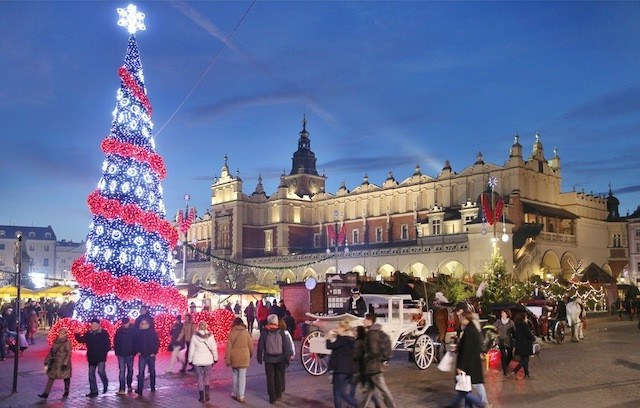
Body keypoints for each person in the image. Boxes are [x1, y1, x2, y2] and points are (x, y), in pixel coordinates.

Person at [445, 311, 487, 408]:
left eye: (460, 317)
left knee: (464, 390)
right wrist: (458, 348)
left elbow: (467, 349)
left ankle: (482, 404)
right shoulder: (471, 328)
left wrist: (461, 366)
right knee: (466, 388)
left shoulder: (469, 330)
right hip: (472, 362)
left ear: (465, 318)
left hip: (469, 364)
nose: (459, 319)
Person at [360, 313, 395, 408]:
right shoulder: (374, 332)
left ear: (369, 321)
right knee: (368, 390)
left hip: (373, 366)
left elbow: (374, 351)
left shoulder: (372, 333)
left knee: (383, 390)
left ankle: (391, 406)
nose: (363, 321)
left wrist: (365, 357)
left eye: (365, 319)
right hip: (373, 366)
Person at [257, 314, 293, 404]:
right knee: (279, 376)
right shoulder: (281, 331)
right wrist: (287, 359)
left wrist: (259, 357)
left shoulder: (264, 331)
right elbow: (285, 346)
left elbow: (260, 346)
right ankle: (278, 394)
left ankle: (272, 398)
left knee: (270, 378)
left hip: (268, 359)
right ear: (276, 321)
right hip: (280, 358)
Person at [326, 319, 359, 408]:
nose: (336, 329)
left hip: (340, 369)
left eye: (338, 328)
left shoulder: (343, 339)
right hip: (349, 370)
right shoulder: (351, 339)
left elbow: (329, 346)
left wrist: (328, 337)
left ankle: (358, 405)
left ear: (343, 328)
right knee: (341, 391)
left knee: (338, 392)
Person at [75, 318, 110, 398]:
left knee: (101, 372)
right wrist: (76, 334)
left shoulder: (103, 333)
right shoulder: (88, 334)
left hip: (101, 357)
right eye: (92, 325)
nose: (93, 326)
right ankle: (94, 391)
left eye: (95, 325)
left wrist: (103, 353)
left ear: (98, 325)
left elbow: (107, 345)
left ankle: (105, 382)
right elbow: (81, 340)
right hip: (91, 357)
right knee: (91, 374)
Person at [38, 327, 72, 399]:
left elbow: (68, 353)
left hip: (63, 363)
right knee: (51, 377)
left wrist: (65, 363)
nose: (59, 334)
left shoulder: (67, 342)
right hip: (55, 362)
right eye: (59, 332)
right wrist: (46, 360)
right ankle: (45, 393)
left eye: (61, 332)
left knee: (66, 377)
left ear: (65, 334)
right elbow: (51, 352)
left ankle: (66, 391)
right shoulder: (55, 341)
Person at [188, 321, 218, 402]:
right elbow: (214, 348)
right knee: (207, 377)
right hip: (208, 360)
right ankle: (207, 394)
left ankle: (201, 396)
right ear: (206, 326)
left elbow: (191, 349)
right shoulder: (210, 336)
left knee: (200, 378)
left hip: (197, 360)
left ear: (198, 327)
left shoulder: (194, 337)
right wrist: (215, 358)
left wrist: (190, 360)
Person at [225, 317, 253, 403]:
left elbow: (228, 348)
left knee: (235, 375)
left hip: (234, 357)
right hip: (244, 356)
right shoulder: (246, 333)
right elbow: (250, 346)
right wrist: (250, 354)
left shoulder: (231, 333)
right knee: (242, 376)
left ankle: (234, 393)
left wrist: (227, 359)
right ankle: (241, 395)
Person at [135, 318, 159, 395]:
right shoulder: (139, 333)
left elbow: (156, 343)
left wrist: (154, 352)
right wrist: (138, 351)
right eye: (142, 324)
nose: (144, 325)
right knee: (141, 372)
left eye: (145, 324)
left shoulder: (152, 333)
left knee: (152, 371)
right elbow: (136, 342)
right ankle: (140, 388)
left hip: (151, 355)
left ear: (148, 324)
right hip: (142, 355)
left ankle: (152, 386)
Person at [114, 317, 136, 394]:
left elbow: (136, 342)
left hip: (130, 354)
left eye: (126, 323)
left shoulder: (133, 331)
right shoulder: (119, 331)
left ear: (129, 323)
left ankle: (129, 385)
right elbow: (115, 341)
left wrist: (134, 352)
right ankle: (122, 389)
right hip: (121, 354)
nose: (125, 325)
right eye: (123, 323)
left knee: (130, 370)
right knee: (122, 371)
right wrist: (117, 352)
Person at [510, 313, 536, 379]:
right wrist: (533, 338)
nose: (527, 319)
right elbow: (529, 334)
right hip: (525, 345)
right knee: (524, 361)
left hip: (519, 345)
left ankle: (526, 375)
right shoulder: (524, 325)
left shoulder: (515, 326)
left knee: (525, 359)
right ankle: (514, 372)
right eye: (526, 318)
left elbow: (514, 335)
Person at [493, 309, 515, 375]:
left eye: (503, 313)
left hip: (509, 341)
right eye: (501, 313)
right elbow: (492, 328)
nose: (502, 314)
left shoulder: (511, 322)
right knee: (503, 355)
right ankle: (505, 370)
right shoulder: (498, 321)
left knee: (510, 355)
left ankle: (505, 364)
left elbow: (514, 332)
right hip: (500, 340)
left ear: (507, 314)